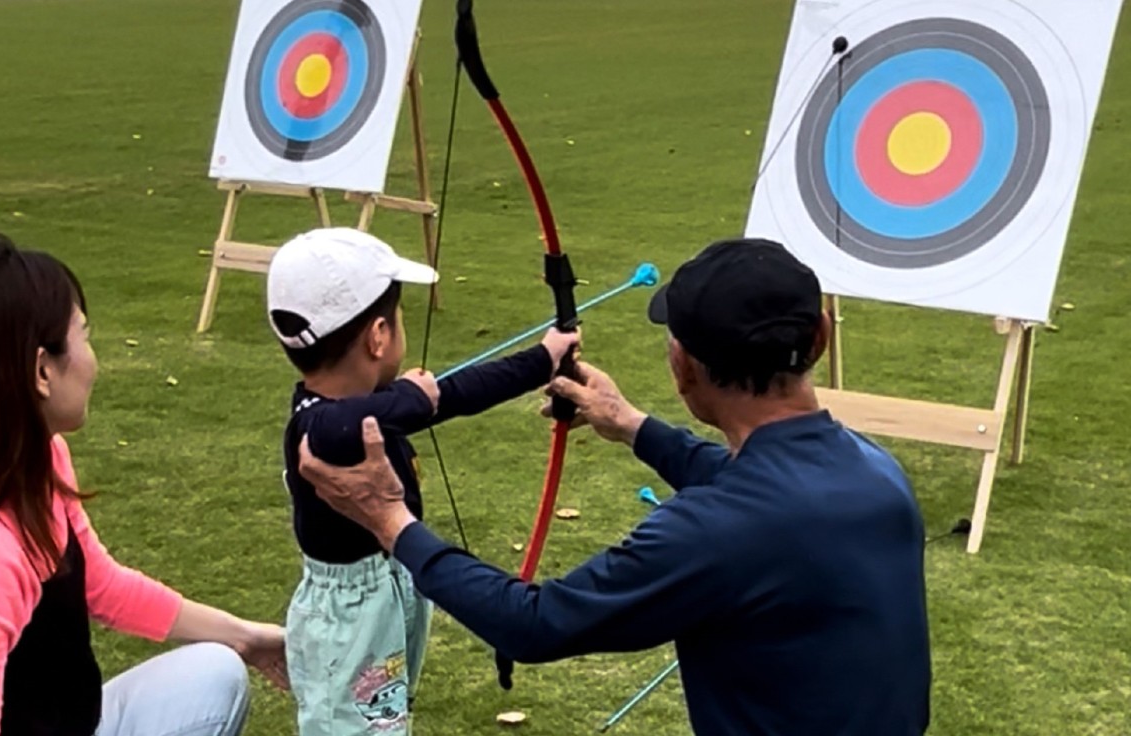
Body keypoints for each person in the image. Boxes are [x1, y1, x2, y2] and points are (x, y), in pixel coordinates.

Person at [296, 237, 932, 735]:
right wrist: (631, 425)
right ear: (820, 335)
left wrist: (390, 521)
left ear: (681, 365)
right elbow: (760, 492)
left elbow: (535, 624)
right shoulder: (874, 471)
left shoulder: (715, 532)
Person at [0, 234, 288, 736]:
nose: (94, 360)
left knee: (216, 671)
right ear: (41, 371)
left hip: (74, 719)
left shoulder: (40, 458)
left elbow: (101, 585)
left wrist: (245, 636)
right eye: (85, 335)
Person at [263, 227, 578, 736]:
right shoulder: (317, 424)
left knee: (386, 720)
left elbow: (457, 393)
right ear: (378, 336)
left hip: (390, 585)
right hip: (347, 616)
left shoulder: (374, 408)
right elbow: (340, 425)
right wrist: (413, 398)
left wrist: (543, 359)